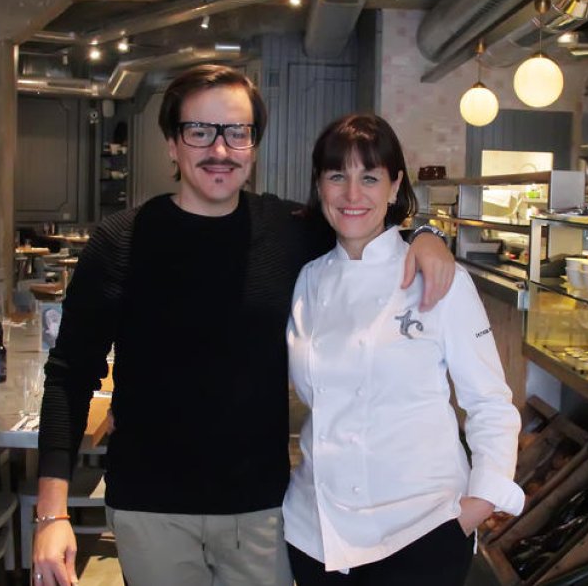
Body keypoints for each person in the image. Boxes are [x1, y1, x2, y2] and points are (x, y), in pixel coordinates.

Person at [32, 65, 456, 586]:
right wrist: (52, 515)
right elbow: (70, 376)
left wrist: (425, 236)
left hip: (262, 510)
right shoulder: (120, 241)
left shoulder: (288, 233)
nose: (220, 149)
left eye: (237, 132)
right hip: (150, 509)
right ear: (171, 143)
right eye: (199, 131)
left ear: (253, 144)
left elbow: (364, 216)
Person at [283, 114, 524, 585]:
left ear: (395, 187)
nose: (353, 195)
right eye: (338, 176)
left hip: (421, 533)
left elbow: (490, 403)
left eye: (369, 178)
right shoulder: (307, 279)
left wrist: (476, 506)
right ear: (319, 186)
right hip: (317, 533)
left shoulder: (440, 278)